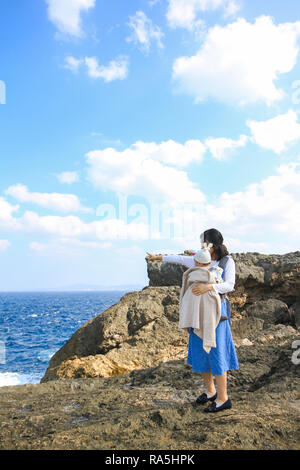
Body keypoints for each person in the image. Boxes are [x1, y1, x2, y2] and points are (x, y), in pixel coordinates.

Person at [146, 228, 239, 413]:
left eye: (203, 242)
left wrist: (208, 287)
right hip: (197, 313)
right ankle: (211, 391)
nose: (200, 245)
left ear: (211, 244)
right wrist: (158, 258)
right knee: (200, 352)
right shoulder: (201, 257)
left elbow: (230, 285)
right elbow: (180, 259)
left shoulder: (227, 261)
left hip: (217, 312)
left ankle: (223, 398)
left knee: (216, 351)